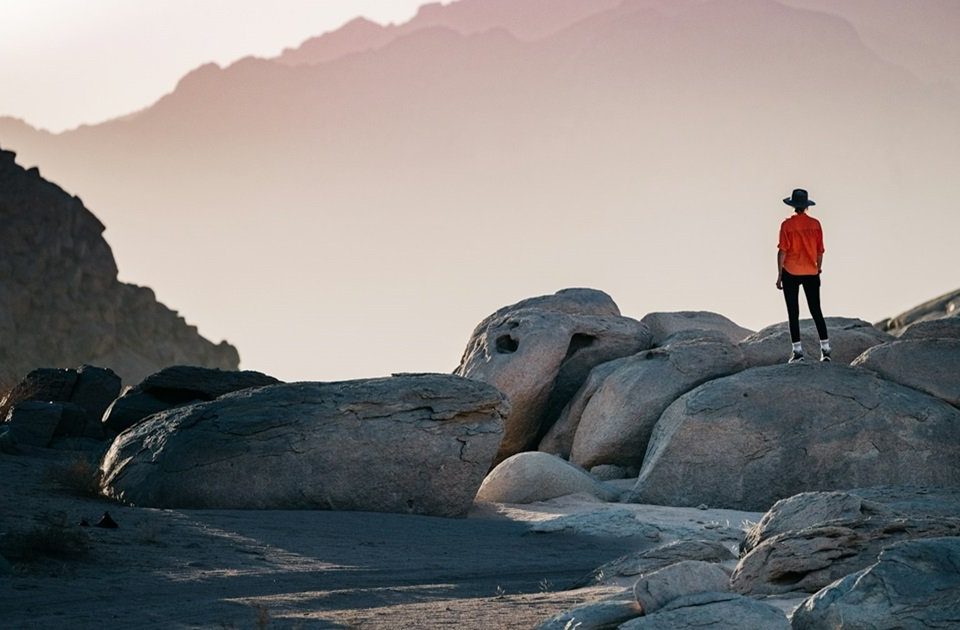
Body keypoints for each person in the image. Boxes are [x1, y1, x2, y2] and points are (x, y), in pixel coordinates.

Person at [776, 188, 830, 363]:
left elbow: (782, 252)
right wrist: (818, 269)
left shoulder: (787, 225)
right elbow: (820, 251)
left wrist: (779, 275)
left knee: (793, 312)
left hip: (790, 272)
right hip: (811, 272)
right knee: (816, 310)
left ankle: (798, 352)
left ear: (793, 206)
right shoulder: (815, 224)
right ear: (806, 206)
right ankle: (826, 349)